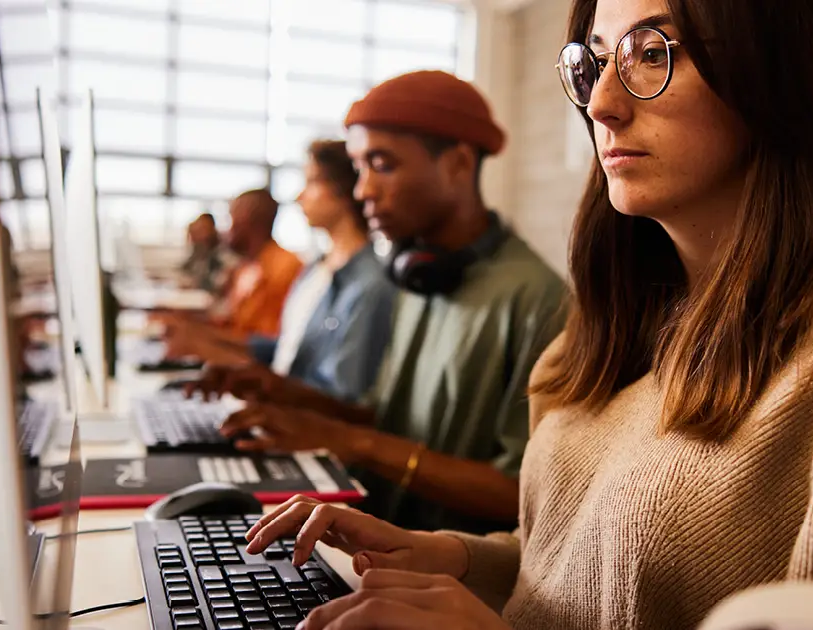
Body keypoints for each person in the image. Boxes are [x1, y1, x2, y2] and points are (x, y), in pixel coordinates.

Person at [232, 1, 813, 629]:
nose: (603, 104)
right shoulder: (634, 320)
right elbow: (584, 575)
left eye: (652, 53)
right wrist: (444, 558)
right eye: (593, 63)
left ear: (779, 71)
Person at [190, 71, 567, 533]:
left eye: (382, 164)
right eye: (359, 166)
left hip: (448, 575)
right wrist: (281, 392)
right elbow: (386, 417)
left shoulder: (537, 300)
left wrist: (354, 442)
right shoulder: (419, 273)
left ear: (459, 164)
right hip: (376, 538)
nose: (363, 189)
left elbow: (520, 492)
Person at [242, 139, 399, 403]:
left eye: (312, 182)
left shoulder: (370, 285)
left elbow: (344, 393)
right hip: (278, 410)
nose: (299, 196)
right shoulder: (314, 269)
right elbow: (288, 353)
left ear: (345, 190)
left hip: (301, 425)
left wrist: (264, 387)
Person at [164, 189, 304, 361]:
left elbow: (272, 343)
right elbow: (231, 323)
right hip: (230, 364)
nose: (227, 229)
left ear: (249, 220)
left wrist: (204, 339)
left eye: (232, 218)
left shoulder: (286, 267)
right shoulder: (245, 267)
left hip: (254, 373)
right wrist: (188, 325)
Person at [179, 212, 237, 295]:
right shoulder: (198, 251)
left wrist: (194, 283)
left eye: (201, 229)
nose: (196, 235)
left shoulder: (222, 254)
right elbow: (185, 270)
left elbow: (218, 283)